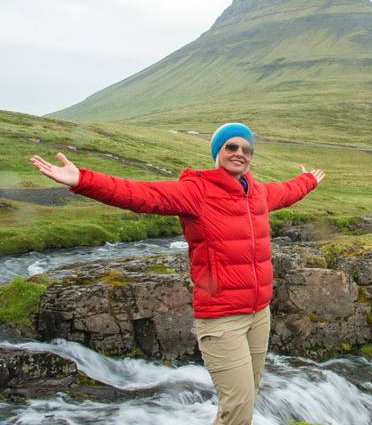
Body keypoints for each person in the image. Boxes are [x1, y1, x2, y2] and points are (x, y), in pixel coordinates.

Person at [30, 123, 325, 425]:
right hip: (222, 318)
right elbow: (139, 193)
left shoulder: (257, 193)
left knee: (248, 396)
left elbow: (287, 192)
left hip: (259, 314)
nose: (240, 153)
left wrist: (308, 181)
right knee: (237, 404)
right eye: (231, 146)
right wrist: (82, 180)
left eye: (246, 149)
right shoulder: (196, 191)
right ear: (217, 152)